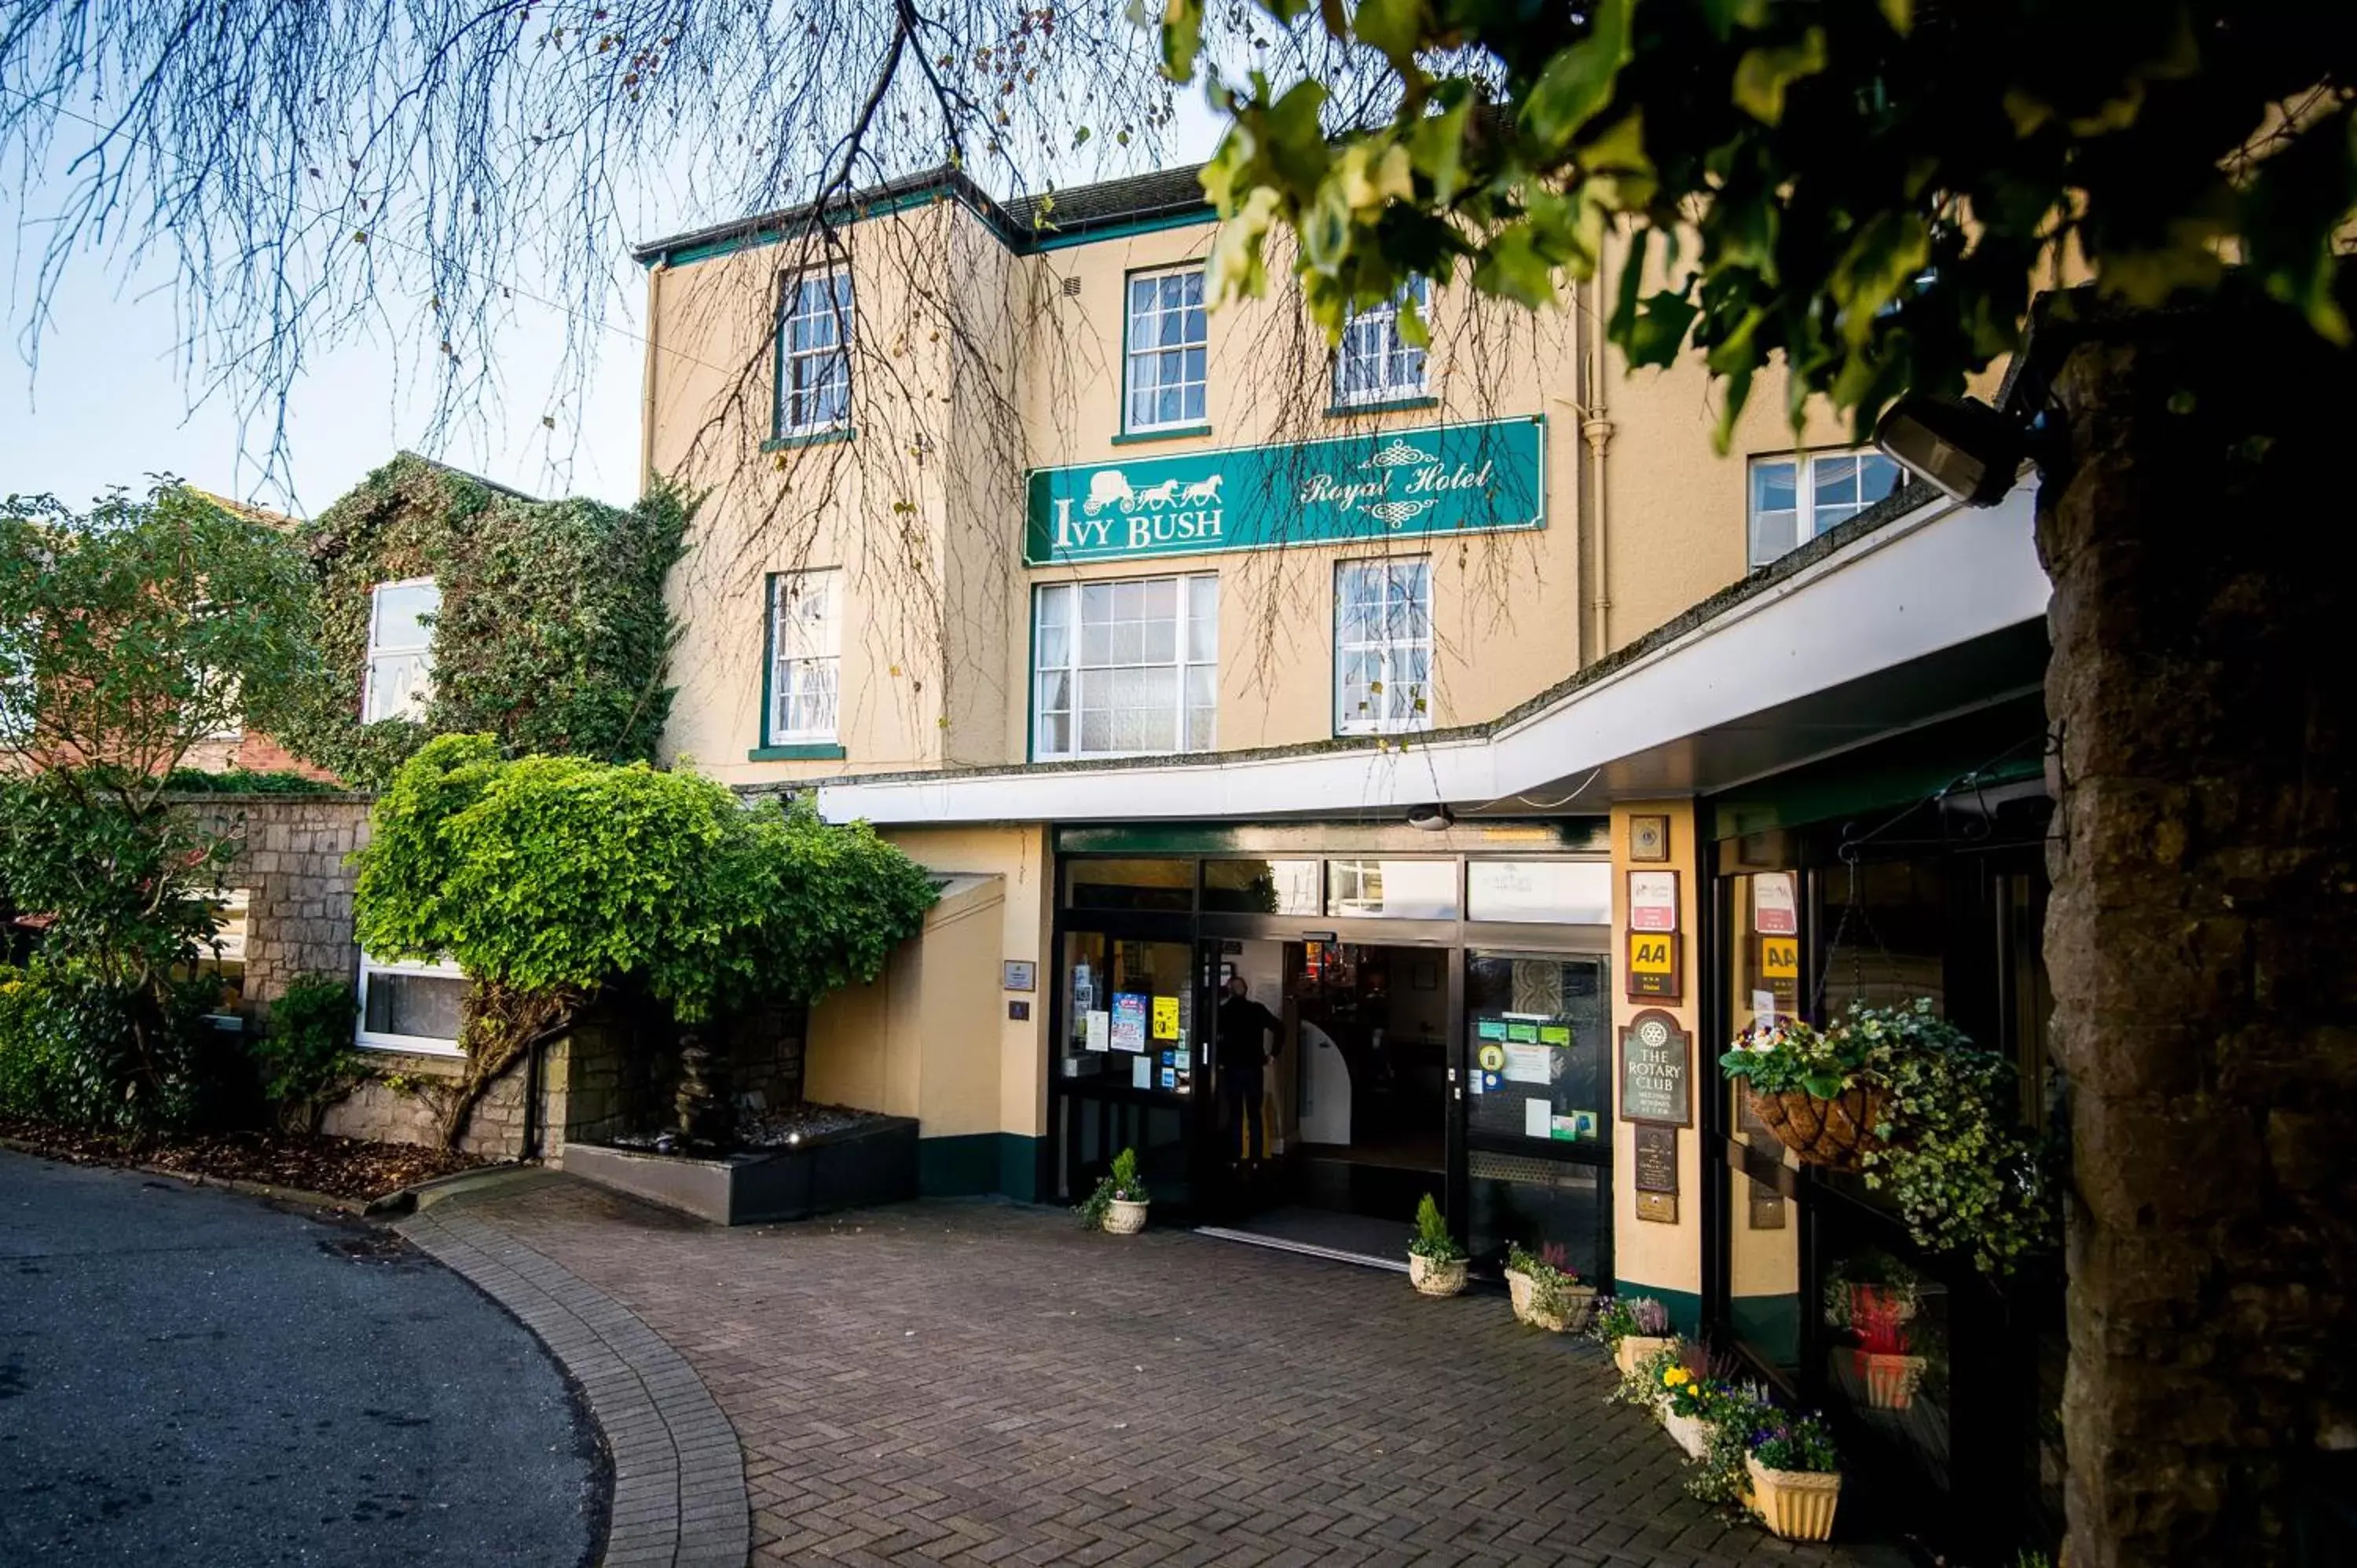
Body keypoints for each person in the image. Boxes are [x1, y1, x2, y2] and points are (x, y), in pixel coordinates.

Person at [1215, 976, 1281, 1164]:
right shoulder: (1256, 1010)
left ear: (1229, 990)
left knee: (1235, 1113)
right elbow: (1279, 1028)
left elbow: (1214, 1038)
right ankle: (1256, 1158)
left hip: (1232, 1068)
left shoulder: (1223, 1012)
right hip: (1253, 1068)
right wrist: (1272, 1054)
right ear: (1246, 989)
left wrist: (1219, 1060)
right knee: (1254, 1113)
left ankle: (1236, 1156)